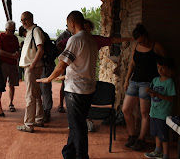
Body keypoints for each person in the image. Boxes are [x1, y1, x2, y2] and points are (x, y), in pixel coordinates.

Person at [38, 11, 98, 159]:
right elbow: (81, 65)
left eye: (68, 24)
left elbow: (61, 65)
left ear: (72, 23)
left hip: (76, 90)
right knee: (76, 124)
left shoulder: (75, 40)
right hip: (88, 88)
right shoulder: (90, 39)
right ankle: (69, 152)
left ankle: (82, 156)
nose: (68, 27)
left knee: (78, 127)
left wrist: (49, 78)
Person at [57, 19, 132, 132]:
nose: (85, 30)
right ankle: (75, 122)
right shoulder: (75, 39)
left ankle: (85, 122)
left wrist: (129, 39)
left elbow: (112, 40)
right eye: (84, 27)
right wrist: (70, 58)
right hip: (73, 73)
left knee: (85, 98)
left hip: (86, 75)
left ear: (90, 29)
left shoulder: (95, 39)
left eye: (88, 28)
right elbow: (60, 44)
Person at [122, 24, 166, 150]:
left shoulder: (156, 46)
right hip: (135, 81)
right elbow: (132, 64)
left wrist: (162, 81)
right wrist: (126, 80)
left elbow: (166, 63)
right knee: (126, 110)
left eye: (143, 40)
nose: (142, 43)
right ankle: (132, 136)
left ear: (146, 35)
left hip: (148, 83)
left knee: (144, 113)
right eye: (140, 41)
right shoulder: (136, 46)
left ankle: (141, 139)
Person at [16, 11, 45, 133]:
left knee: (30, 96)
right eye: (21, 20)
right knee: (36, 94)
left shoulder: (35, 30)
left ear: (31, 18)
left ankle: (28, 124)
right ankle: (39, 119)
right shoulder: (30, 32)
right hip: (31, 67)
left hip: (32, 67)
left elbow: (41, 49)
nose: (23, 22)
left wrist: (32, 65)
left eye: (25, 19)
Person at [144, 57, 176, 159]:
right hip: (154, 111)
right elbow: (152, 91)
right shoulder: (155, 80)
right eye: (158, 68)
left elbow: (171, 98)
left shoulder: (169, 82)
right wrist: (149, 91)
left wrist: (158, 95)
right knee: (156, 133)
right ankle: (158, 151)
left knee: (163, 136)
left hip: (163, 113)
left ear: (169, 69)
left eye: (163, 68)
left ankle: (166, 155)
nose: (160, 70)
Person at [0, 20, 20, 112]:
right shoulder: (0, 37)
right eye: (11, 31)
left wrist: (17, 53)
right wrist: (11, 55)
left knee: (12, 85)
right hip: (4, 64)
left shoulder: (14, 38)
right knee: (1, 85)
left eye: (14, 31)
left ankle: (11, 103)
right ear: (6, 29)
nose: (12, 33)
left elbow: (17, 48)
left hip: (13, 64)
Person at [55, 29, 72, 114]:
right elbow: (57, 47)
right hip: (66, 63)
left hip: (70, 63)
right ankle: (61, 104)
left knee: (66, 83)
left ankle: (65, 105)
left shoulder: (68, 36)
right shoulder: (64, 36)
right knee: (64, 83)